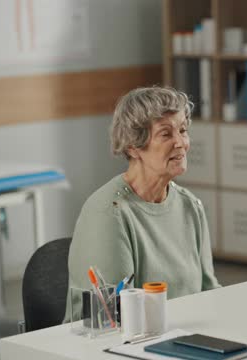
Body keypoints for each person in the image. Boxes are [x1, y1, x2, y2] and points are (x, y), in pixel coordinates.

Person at [65, 86, 220, 321]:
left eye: (183, 130)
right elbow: (112, 317)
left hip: (185, 338)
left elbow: (209, 293)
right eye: (166, 134)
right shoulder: (108, 213)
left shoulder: (191, 206)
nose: (181, 142)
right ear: (133, 146)